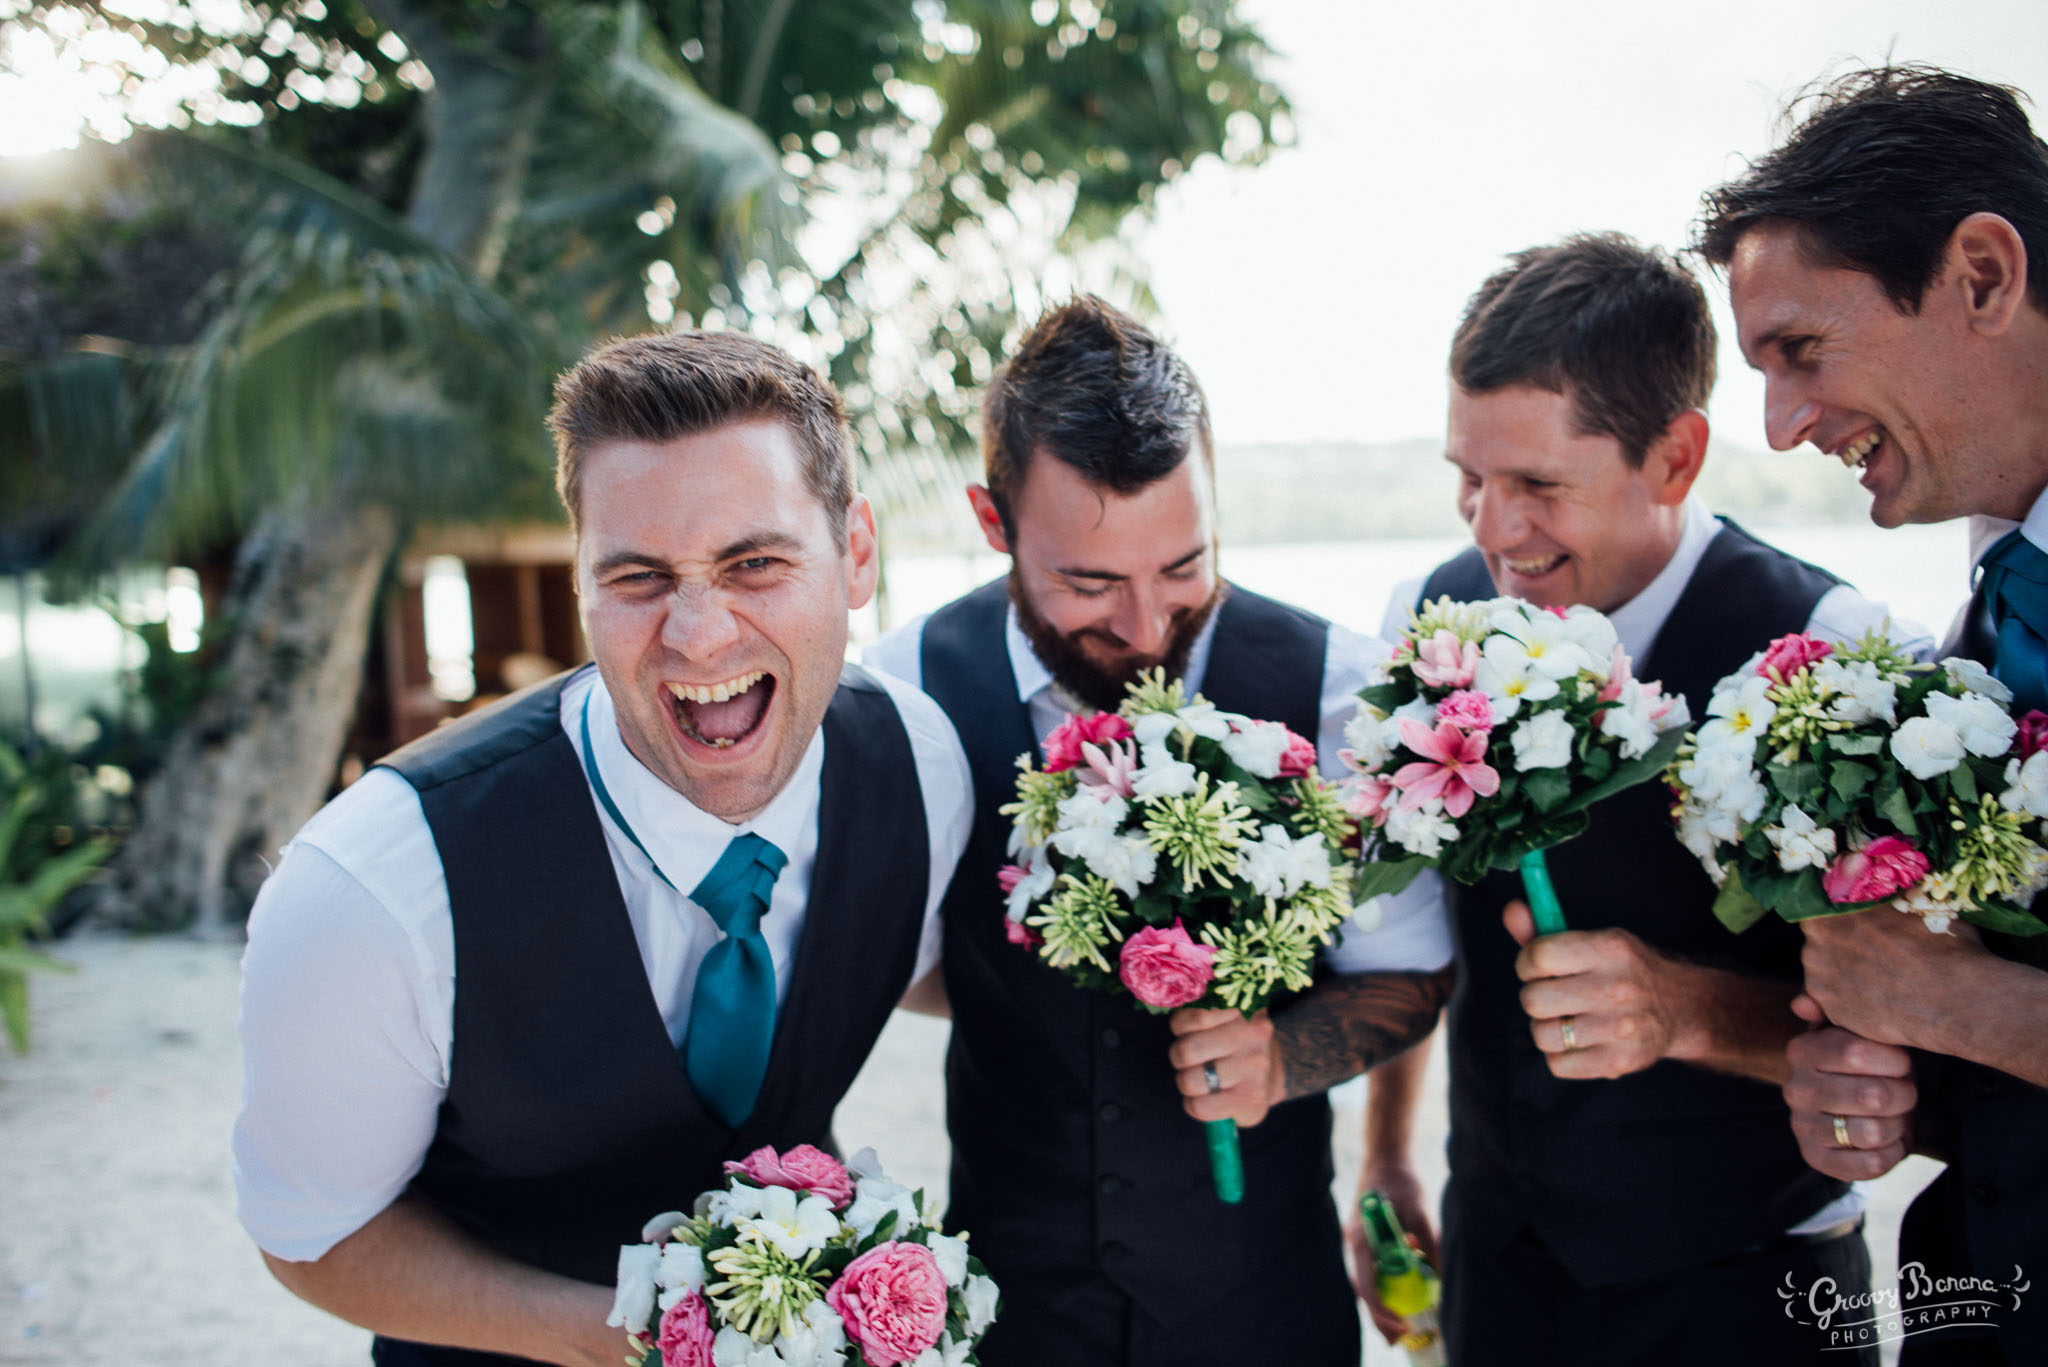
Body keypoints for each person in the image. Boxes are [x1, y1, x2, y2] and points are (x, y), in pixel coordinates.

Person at [232, 331, 972, 1367]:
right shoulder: (369, 894)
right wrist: (628, 1342)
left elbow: (919, 962)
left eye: (754, 563)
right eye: (637, 577)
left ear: (856, 553)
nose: (699, 633)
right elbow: (314, 1235)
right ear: (581, 579)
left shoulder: (920, 764)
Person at [1353, 234, 1929, 1367]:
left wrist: (1685, 1011)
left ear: (1674, 457)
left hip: (1749, 1288)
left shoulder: (1840, 659)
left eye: (1537, 486)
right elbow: (1412, 927)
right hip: (1498, 1270)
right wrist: (1384, 1155)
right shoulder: (1424, 620)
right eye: (1469, 477)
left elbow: (1912, 1035)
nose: (1490, 530)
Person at [865, 295, 1454, 1367]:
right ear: (993, 521)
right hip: (1010, 1313)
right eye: (1089, 582)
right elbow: (895, 966)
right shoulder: (901, 699)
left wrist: (1285, 1055)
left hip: (1267, 1310)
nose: (1144, 628)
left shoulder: (1347, 693)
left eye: (1183, 566)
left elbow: (1411, 973)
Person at [1701, 64, 2048, 1364]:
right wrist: (1889, 1083)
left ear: (1981, 277)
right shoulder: (1987, 613)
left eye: (1801, 350)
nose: (1780, 425)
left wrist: (1963, 1006)